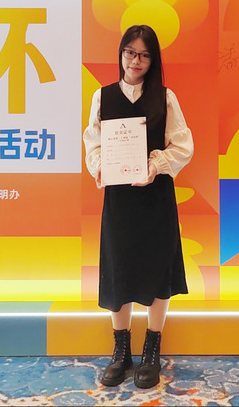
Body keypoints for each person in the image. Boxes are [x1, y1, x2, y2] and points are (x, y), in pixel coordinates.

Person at [82, 24, 194, 389]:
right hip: (119, 199)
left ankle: (151, 350)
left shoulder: (166, 97)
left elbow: (182, 146)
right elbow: (94, 143)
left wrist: (155, 166)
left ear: (153, 60)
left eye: (144, 55)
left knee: (157, 270)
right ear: (121, 54)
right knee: (119, 269)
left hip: (155, 196)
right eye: (130, 52)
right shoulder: (103, 96)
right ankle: (121, 351)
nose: (136, 61)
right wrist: (100, 165)